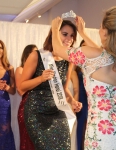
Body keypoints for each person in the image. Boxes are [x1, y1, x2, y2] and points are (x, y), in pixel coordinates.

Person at [51, 6, 116, 150]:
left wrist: (55, 29)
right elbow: (102, 55)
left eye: (100, 27)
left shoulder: (95, 57)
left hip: (101, 135)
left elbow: (57, 49)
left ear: (105, 31)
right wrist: (83, 33)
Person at [19, 20, 82, 150]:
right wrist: (40, 78)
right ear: (54, 34)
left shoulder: (68, 61)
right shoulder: (37, 55)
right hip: (36, 113)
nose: (69, 39)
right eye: (65, 34)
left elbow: (64, 89)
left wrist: (73, 101)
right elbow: (21, 87)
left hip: (57, 112)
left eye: (72, 36)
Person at [15, 44, 38, 150]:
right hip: (26, 108)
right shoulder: (20, 69)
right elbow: (20, 90)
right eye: (33, 53)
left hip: (40, 110)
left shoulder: (40, 72)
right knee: (26, 142)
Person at [76, 40, 88, 150]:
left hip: (92, 99)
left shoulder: (95, 64)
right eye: (83, 47)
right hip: (80, 98)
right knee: (80, 128)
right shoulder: (76, 65)